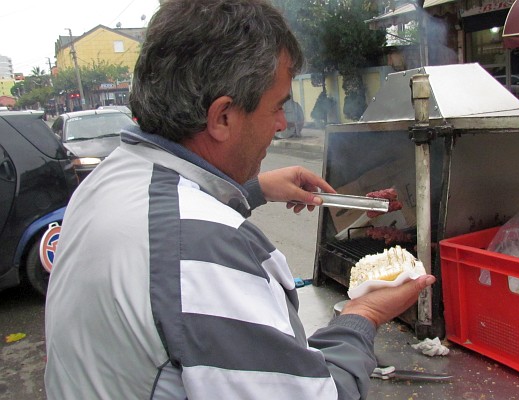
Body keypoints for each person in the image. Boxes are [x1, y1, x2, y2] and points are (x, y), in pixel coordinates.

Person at [44, 0, 435, 399]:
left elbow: (167, 232)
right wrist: (362, 315)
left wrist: (255, 189)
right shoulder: (205, 248)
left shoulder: (107, 179)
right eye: (278, 106)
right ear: (222, 118)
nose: (284, 123)